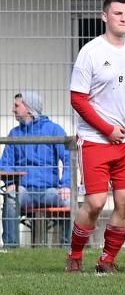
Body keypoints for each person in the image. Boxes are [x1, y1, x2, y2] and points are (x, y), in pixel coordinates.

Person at [66, 0, 125, 273]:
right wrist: (108, 129)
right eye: (117, 13)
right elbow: (77, 99)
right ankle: (75, 255)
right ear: (104, 17)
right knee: (96, 202)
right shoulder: (90, 52)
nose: (123, 18)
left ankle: (107, 261)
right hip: (96, 140)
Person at [0, 91, 71, 247]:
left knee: (69, 200)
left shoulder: (54, 130)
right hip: (24, 190)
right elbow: (5, 163)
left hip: (50, 191)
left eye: (17, 105)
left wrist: (65, 184)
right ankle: (11, 248)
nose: (13, 109)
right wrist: (11, 182)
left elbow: (68, 158)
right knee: (11, 196)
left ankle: (69, 248)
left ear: (29, 108)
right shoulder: (14, 134)